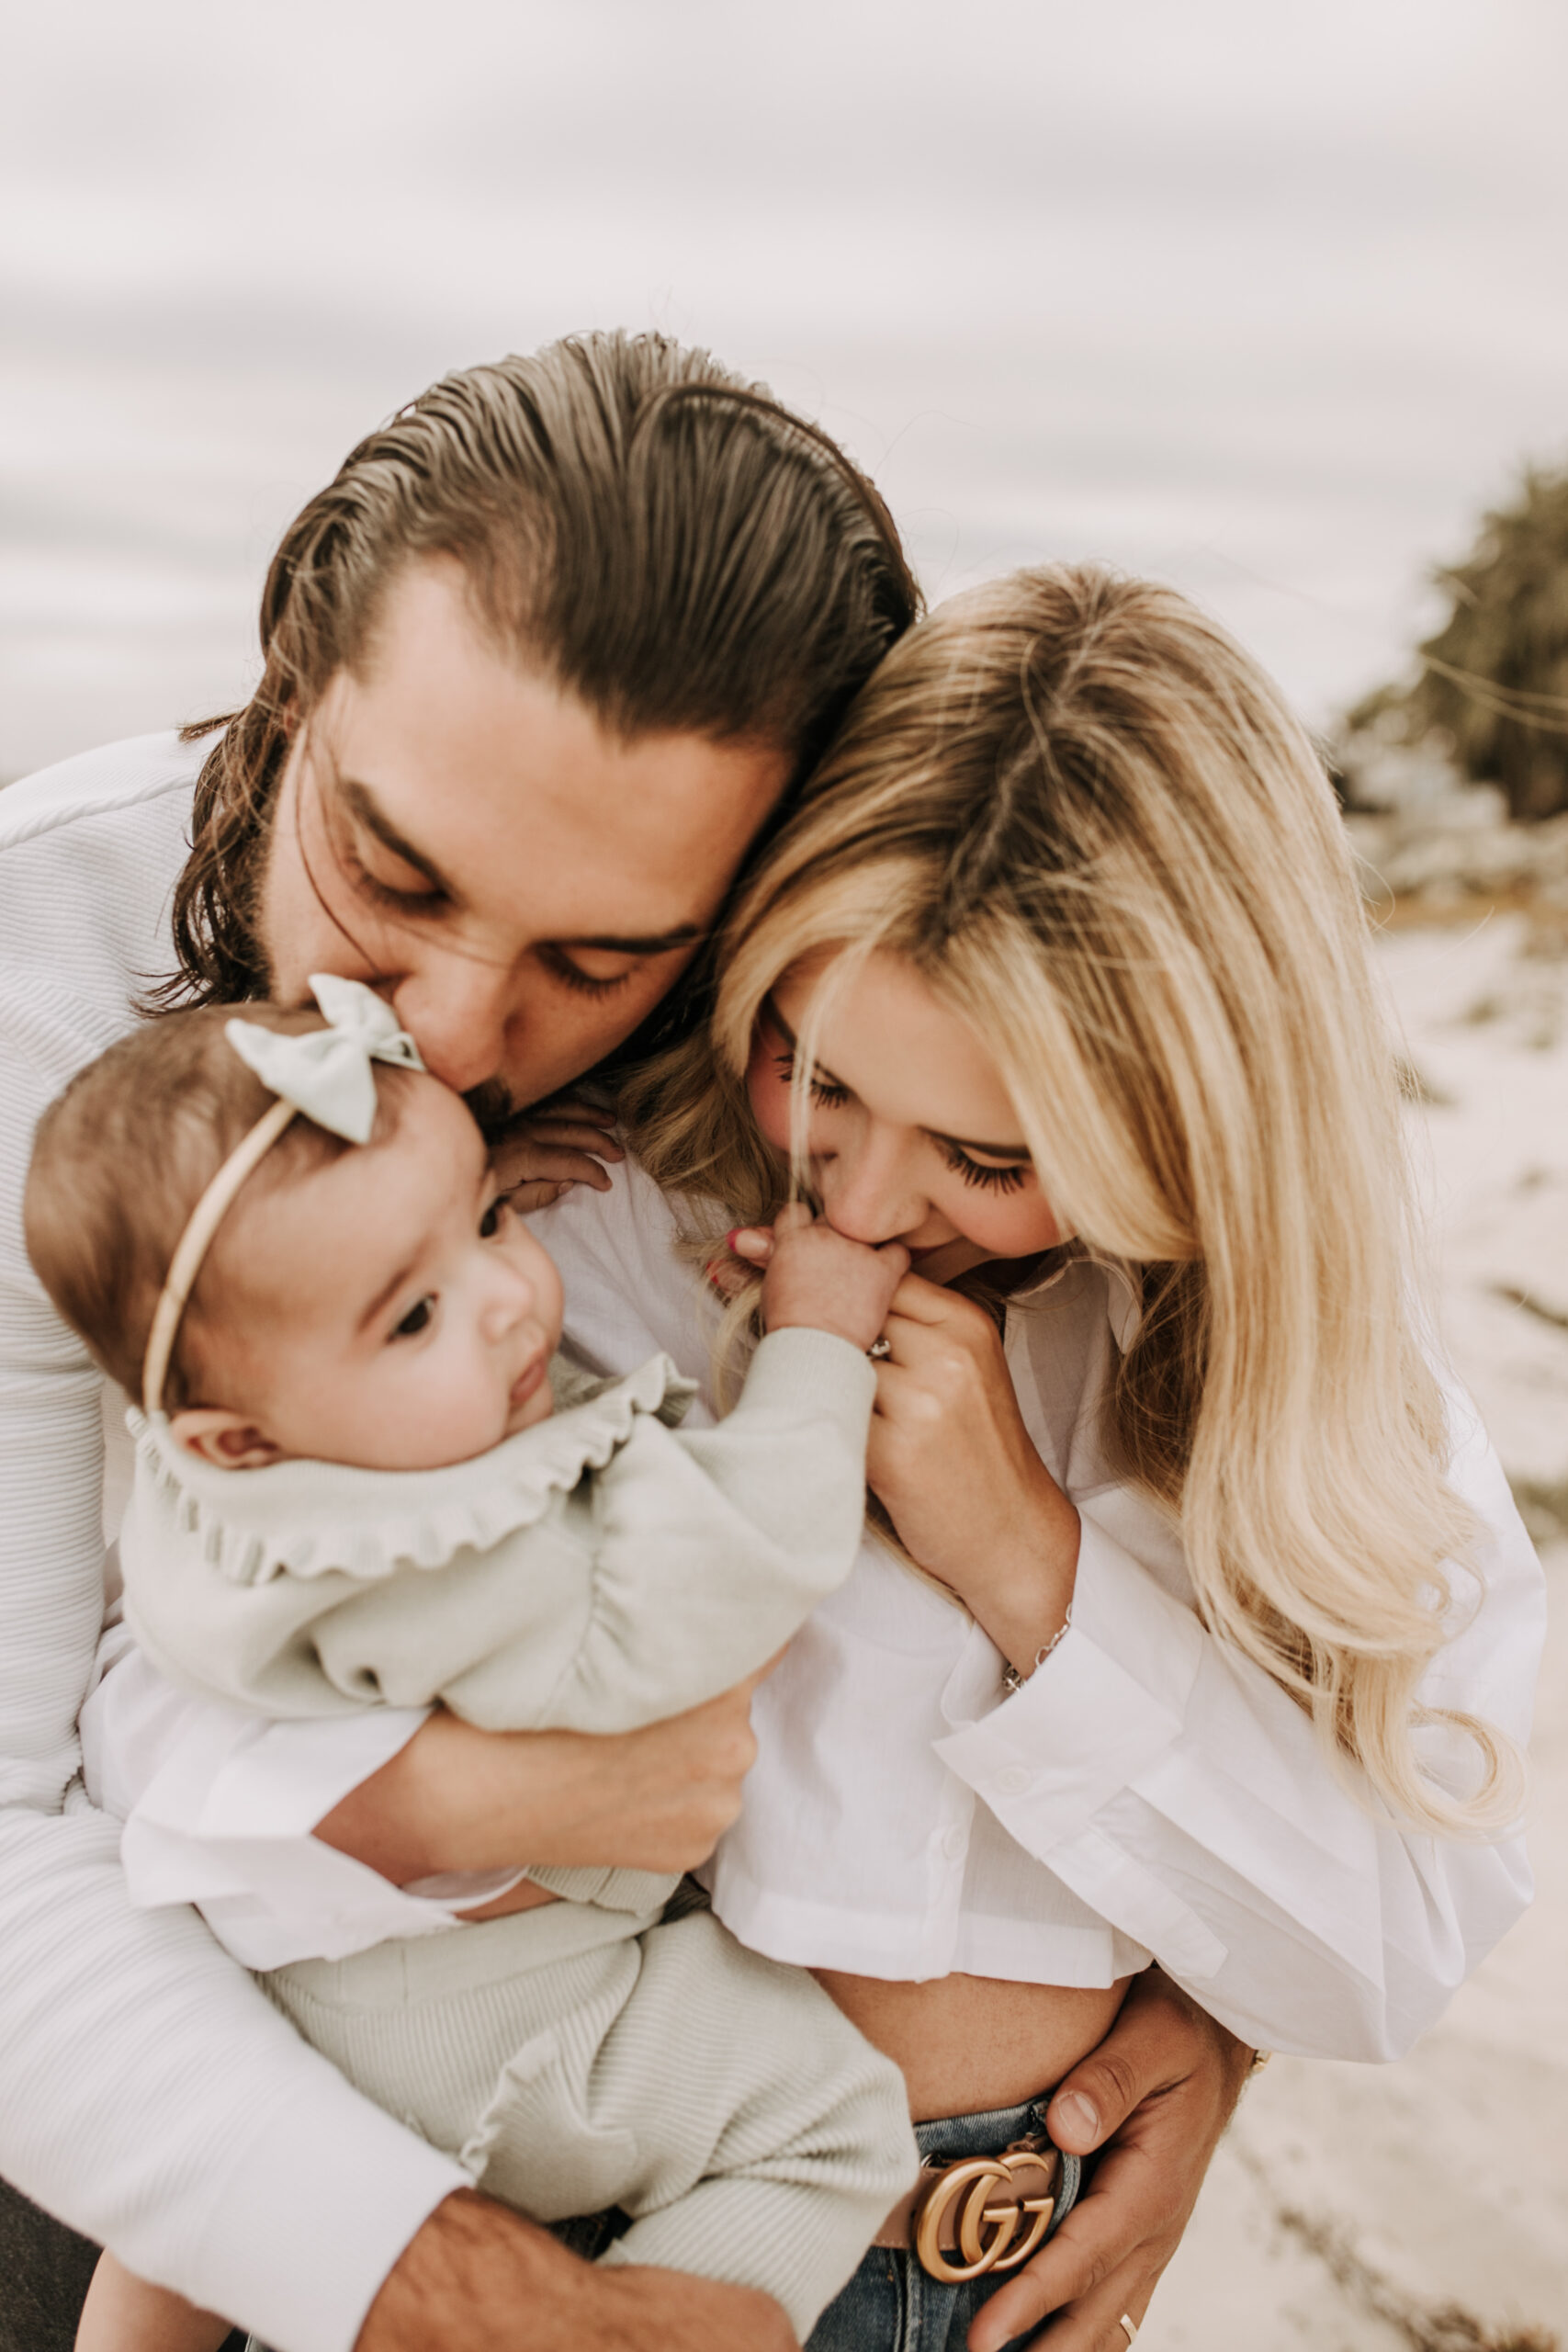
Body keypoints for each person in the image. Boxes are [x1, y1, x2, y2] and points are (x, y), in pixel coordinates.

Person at [94, 564, 1545, 2352]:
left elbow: (1390, 1947)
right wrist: (452, 1800)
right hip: (531, 2220)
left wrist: (1035, 1573)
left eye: (985, 1155)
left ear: (1182, 1125)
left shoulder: (1308, 1394)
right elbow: (180, 1703)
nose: (856, 1204)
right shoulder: (574, 1227)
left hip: (1002, 2271)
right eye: (812, 1068)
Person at [0, 334, 1245, 2352]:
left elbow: (1248, 1524)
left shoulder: (819, 1052)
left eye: (602, 960)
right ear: (288, 670)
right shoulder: (23, 999)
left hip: (700, 2111)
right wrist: (450, 2287)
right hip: (134, 2092)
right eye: (386, 878)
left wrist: (1206, 1991)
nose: (464, 1039)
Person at [27, 982, 922, 2352]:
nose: (507, 1302)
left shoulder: (229, 1489)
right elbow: (745, 1561)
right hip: (522, 2031)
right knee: (834, 2130)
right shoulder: (466, 1547)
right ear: (236, 1436)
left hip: (279, 2005)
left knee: (189, 2229)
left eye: (492, 1220)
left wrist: (422, 1222)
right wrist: (815, 1340)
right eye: (413, 1318)